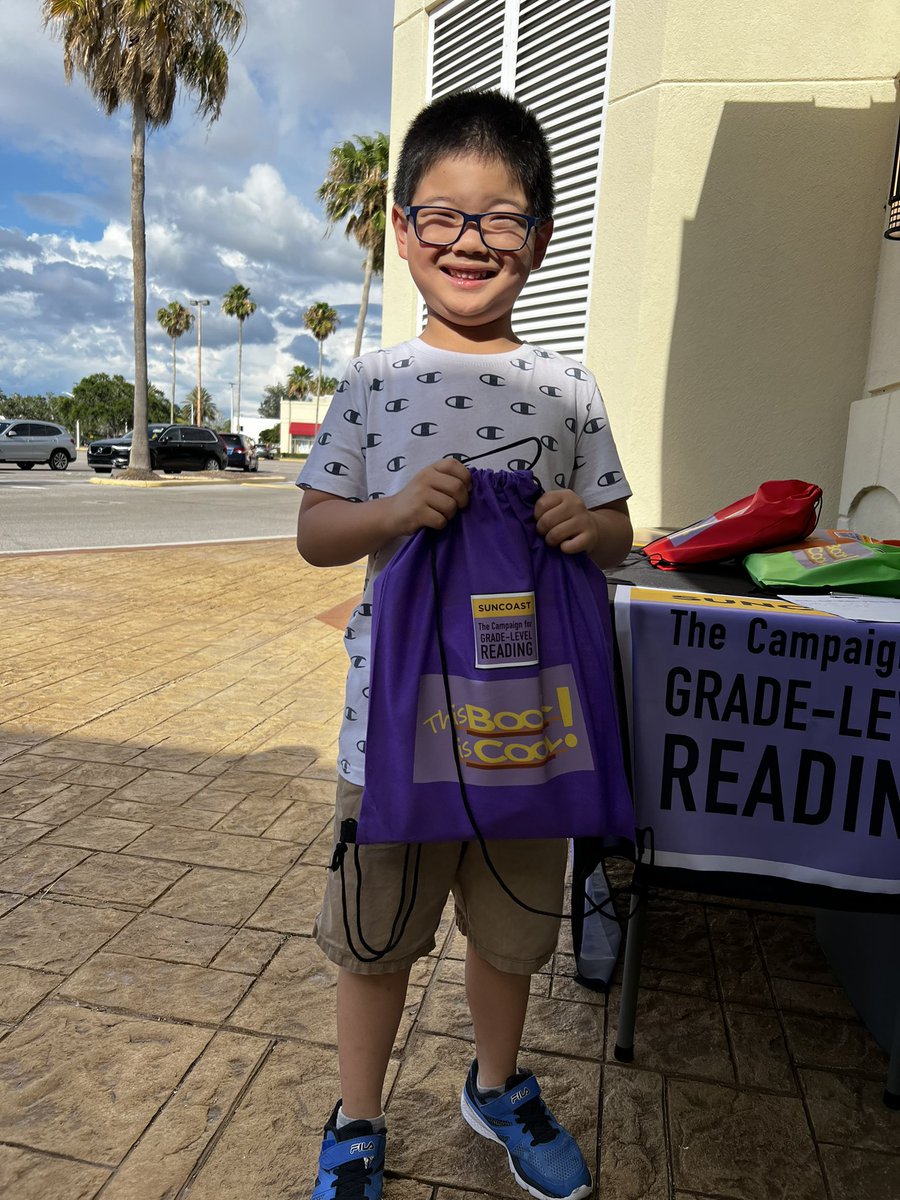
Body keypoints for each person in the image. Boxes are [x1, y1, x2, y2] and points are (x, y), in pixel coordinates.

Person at [297, 89, 632, 1200]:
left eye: (502, 217)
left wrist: (589, 529)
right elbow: (314, 530)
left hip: (522, 729)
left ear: (537, 237)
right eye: (444, 216)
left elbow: (620, 528)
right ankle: (356, 1119)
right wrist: (391, 514)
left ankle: (497, 1084)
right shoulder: (376, 380)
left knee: (512, 930)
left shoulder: (567, 386)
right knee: (376, 936)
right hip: (391, 731)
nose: (472, 241)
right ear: (402, 229)